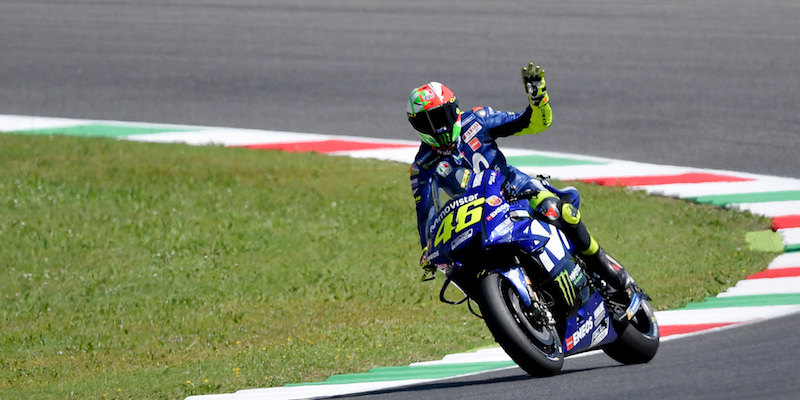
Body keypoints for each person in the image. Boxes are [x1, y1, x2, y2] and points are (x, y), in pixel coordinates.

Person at [407, 62, 647, 317]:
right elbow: (426, 212)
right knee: (463, 266)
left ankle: (616, 279)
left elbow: (532, 123)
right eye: (428, 123)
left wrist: (538, 99)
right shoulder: (422, 167)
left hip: (517, 190)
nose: (439, 128)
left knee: (556, 211)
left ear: (454, 109)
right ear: (417, 127)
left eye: (441, 117)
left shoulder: (477, 120)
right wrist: (428, 250)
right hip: (480, 215)